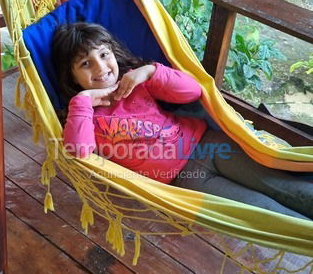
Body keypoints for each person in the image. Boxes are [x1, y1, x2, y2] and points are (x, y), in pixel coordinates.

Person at [52, 22, 313, 220]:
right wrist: (83, 101)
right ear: (72, 76)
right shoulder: (83, 115)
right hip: (183, 181)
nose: (100, 67)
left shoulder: (134, 80)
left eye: (104, 54)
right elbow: (79, 151)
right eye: (86, 63)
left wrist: (150, 71)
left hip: (209, 145)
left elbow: (193, 91)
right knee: (267, 213)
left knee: (286, 188)